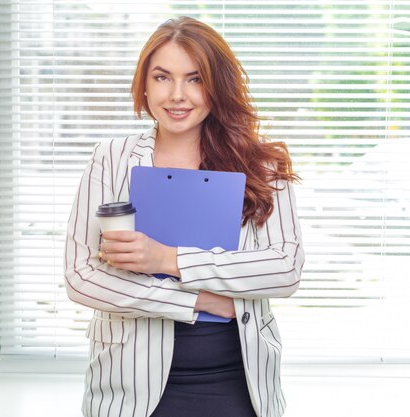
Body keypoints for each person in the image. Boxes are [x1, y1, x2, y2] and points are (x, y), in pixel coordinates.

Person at [64, 16, 304, 417]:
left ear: (217, 86)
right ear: (144, 83)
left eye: (194, 79)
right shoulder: (110, 158)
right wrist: (193, 301)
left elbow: (285, 268)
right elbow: (82, 277)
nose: (177, 95)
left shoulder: (259, 165)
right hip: (128, 385)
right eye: (162, 77)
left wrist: (166, 259)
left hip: (237, 382)